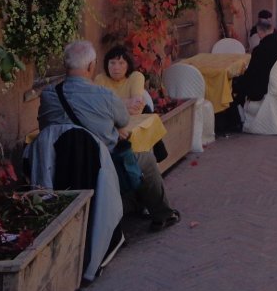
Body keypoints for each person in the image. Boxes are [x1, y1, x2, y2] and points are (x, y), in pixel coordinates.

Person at [39, 40, 180, 232]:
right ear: (91, 66)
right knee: (145, 159)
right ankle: (162, 214)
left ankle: (129, 203)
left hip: (60, 165)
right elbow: (123, 121)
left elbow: (44, 126)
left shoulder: (48, 95)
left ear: (66, 65)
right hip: (102, 164)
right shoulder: (104, 94)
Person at [232, 18, 277, 103]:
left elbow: (251, 75)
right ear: (272, 29)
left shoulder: (259, 50)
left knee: (232, 87)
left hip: (264, 91)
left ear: (259, 32)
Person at [94, 45, 152, 114]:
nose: (116, 67)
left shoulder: (136, 76)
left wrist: (108, 104)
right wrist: (128, 102)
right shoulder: (100, 79)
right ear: (107, 65)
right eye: (112, 63)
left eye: (121, 63)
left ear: (128, 65)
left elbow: (136, 109)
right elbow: (97, 107)